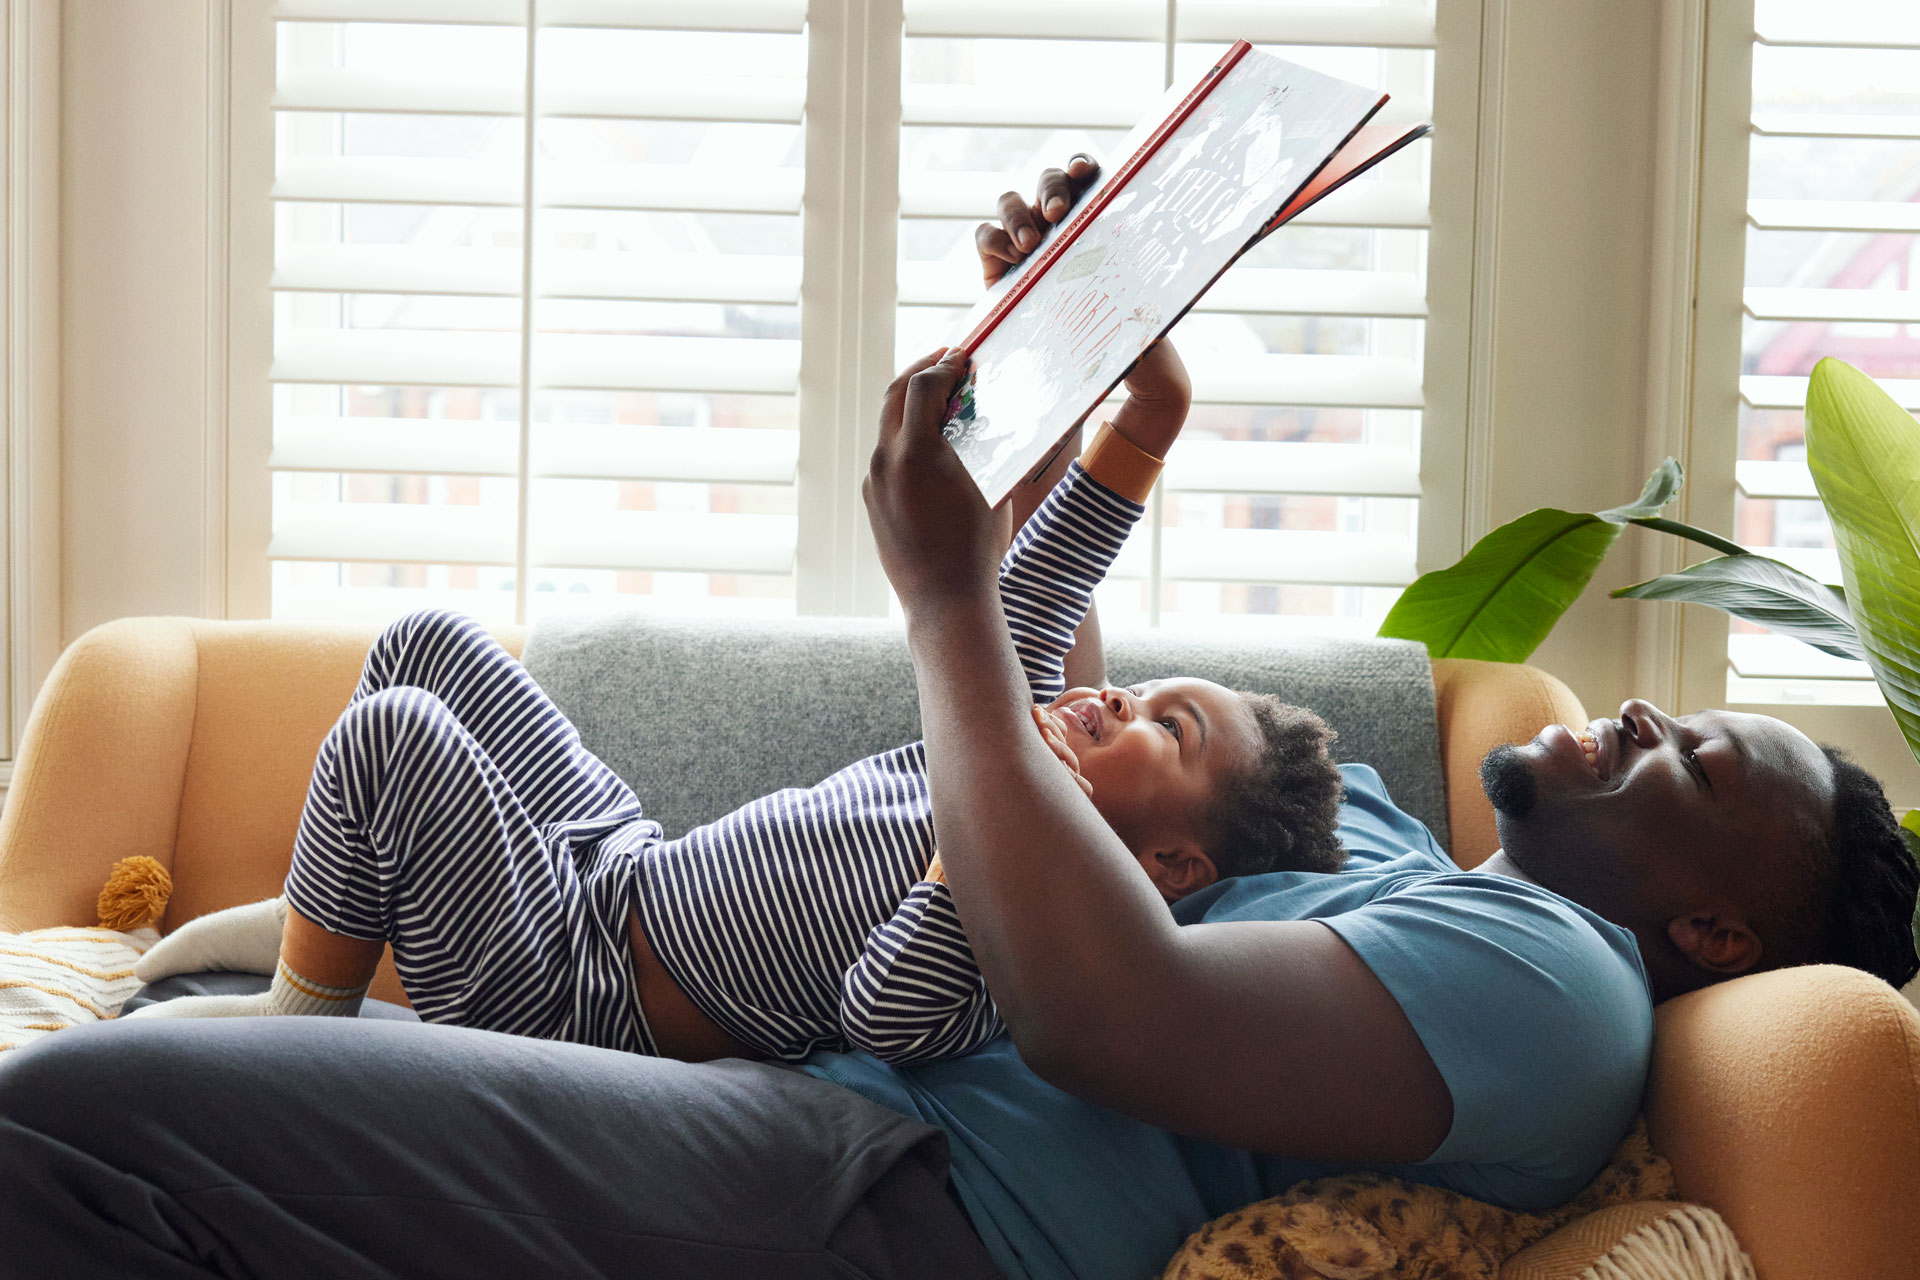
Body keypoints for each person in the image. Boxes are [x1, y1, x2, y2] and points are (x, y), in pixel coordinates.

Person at [1, 159, 1915, 1280]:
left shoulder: (1556, 990)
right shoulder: (1402, 856)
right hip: (793, 1116)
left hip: (885, 1197)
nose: (1654, 711)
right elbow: (1062, 697)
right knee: (133, 1096)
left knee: (81, 1111)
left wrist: (944, 605)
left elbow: (1098, 1005)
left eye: (1706, 763)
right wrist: (1093, 381)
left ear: (1721, 931)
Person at [121, 334, 1348, 1069]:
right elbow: (1051, 565)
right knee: (429, 642)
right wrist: (1147, 409)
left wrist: (971, 846)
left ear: (1174, 863)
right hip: (617, 864)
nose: (1111, 697)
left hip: (573, 998)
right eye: (1137, 689)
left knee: (397, 741)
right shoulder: (1008, 737)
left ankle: (299, 1028)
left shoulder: (1032, 928)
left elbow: (885, 1011)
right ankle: (343, 907)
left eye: (1159, 728)